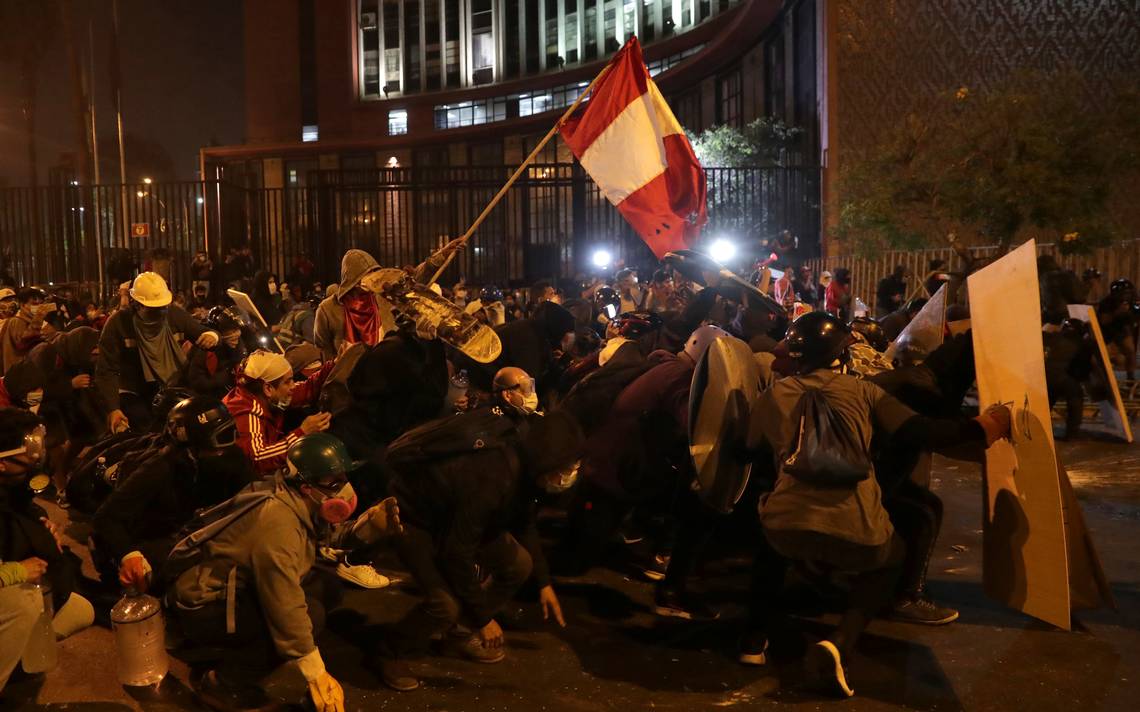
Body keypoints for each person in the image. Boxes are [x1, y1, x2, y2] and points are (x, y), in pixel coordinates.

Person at [741, 313, 1010, 697]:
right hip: (857, 531)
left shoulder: (773, 394)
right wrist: (985, 425)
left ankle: (752, 641)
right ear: (840, 354)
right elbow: (927, 432)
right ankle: (841, 642)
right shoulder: (865, 392)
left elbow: (746, 450)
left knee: (770, 542)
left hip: (786, 526)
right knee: (892, 554)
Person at [167, 433, 403, 712]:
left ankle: (232, 652)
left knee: (326, 587)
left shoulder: (293, 499)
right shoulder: (277, 523)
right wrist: (315, 673)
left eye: (343, 477)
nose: (344, 489)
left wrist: (363, 530)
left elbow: (316, 542)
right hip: (205, 604)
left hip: (233, 589)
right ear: (306, 486)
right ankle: (224, 684)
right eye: (333, 482)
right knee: (307, 616)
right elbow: (284, 605)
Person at [377, 408, 583, 691]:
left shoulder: (524, 467)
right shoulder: (494, 477)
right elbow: (456, 553)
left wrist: (543, 582)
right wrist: (483, 617)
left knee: (519, 564)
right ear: (548, 461)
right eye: (566, 468)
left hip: (453, 521)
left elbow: (524, 523)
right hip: (414, 520)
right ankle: (392, 650)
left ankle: (458, 635)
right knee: (444, 606)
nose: (569, 475)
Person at [91, 397, 254, 593]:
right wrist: (128, 554)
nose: (229, 442)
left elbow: (251, 495)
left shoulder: (228, 455)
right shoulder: (160, 468)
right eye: (220, 437)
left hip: (193, 530)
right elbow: (106, 518)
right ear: (191, 449)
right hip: (158, 538)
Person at [0, 410, 95, 660]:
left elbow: (20, 511)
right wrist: (17, 571)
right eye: (30, 449)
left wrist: (38, 531)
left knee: (81, 609)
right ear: (2, 462)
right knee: (26, 604)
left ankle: (19, 653)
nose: (38, 457)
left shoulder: (12, 494)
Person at [96, 272, 219, 433]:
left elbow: (202, 332)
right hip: (134, 391)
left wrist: (212, 336)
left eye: (163, 307)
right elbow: (106, 370)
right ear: (137, 304)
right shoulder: (119, 323)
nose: (160, 312)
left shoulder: (174, 315)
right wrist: (113, 408)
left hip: (172, 387)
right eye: (153, 309)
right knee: (145, 430)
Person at [224, 350, 333, 475]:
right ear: (268, 388)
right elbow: (257, 459)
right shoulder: (247, 412)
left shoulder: (262, 395)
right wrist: (301, 433)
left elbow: (306, 389)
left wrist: (334, 364)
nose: (293, 386)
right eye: (288, 381)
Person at [187, 308, 247, 399]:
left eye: (236, 329)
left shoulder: (237, 343)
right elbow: (197, 383)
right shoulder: (205, 351)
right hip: (207, 397)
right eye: (231, 330)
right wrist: (226, 377)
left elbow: (240, 359)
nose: (236, 334)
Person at [0, 287, 49, 373]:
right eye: (34, 304)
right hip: (19, 378)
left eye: (40, 304)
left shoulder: (29, 321)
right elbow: (24, 344)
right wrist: (38, 319)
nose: (38, 306)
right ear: (23, 305)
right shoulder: (17, 321)